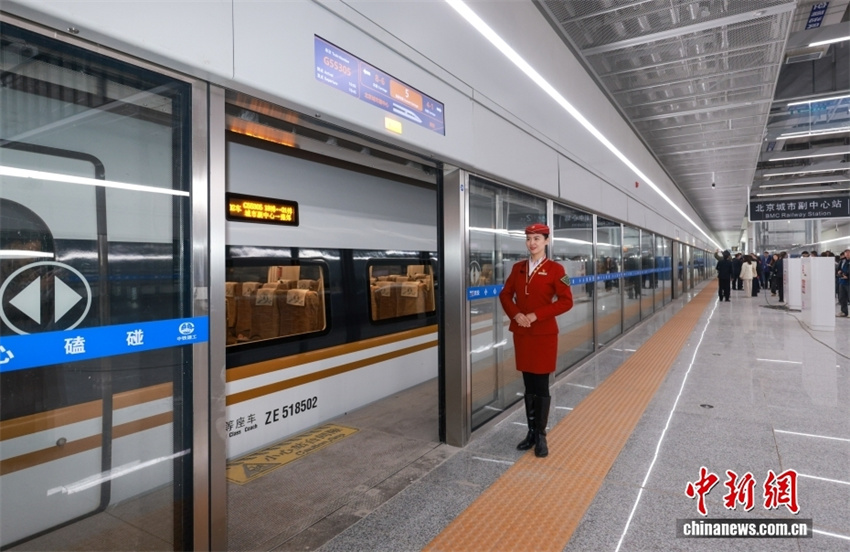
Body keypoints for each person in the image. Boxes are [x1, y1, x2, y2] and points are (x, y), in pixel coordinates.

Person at [499, 223, 574, 458]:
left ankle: (541, 436)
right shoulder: (518, 268)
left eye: (537, 239)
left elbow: (566, 301)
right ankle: (530, 432)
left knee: (541, 385)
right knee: (528, 384)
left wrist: (535, 315)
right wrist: (516, 314)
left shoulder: (556, 269)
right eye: (529, 239)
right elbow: (505, 294)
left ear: (546, 242)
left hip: (543, 334)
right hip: (522, 334)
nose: (532, 243)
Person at [838, 249, 849, 317]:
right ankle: (844, 311)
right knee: (842, 298)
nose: (847, 254)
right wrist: (839, 272)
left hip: (848, 281)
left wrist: (848, 276)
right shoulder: (842, 261)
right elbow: (839, 268)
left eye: (848, 253)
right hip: (842, 281)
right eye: (846, 253)